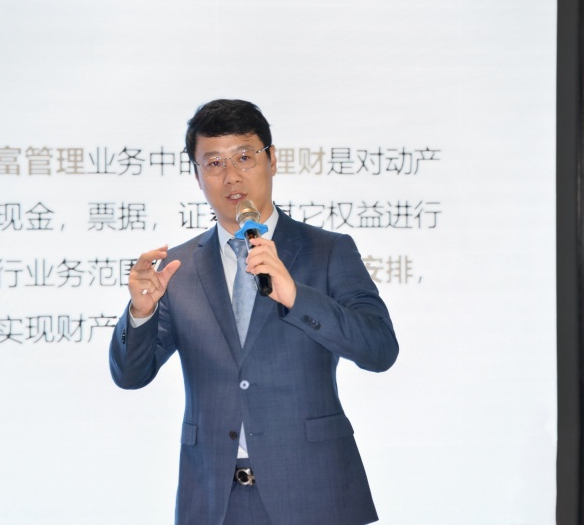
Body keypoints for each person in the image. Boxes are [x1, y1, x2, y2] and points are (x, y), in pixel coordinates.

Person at [110, 99, 399, 524]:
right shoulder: (177, 270)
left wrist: (297, 297)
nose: (231, 176)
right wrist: (140, 313)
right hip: (215, 501)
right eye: (214, 163)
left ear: (272, 159)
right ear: (197, 176)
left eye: (244, 157)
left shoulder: (328, 251)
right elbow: (130, 375)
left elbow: (380, 349)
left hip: (315, 493)